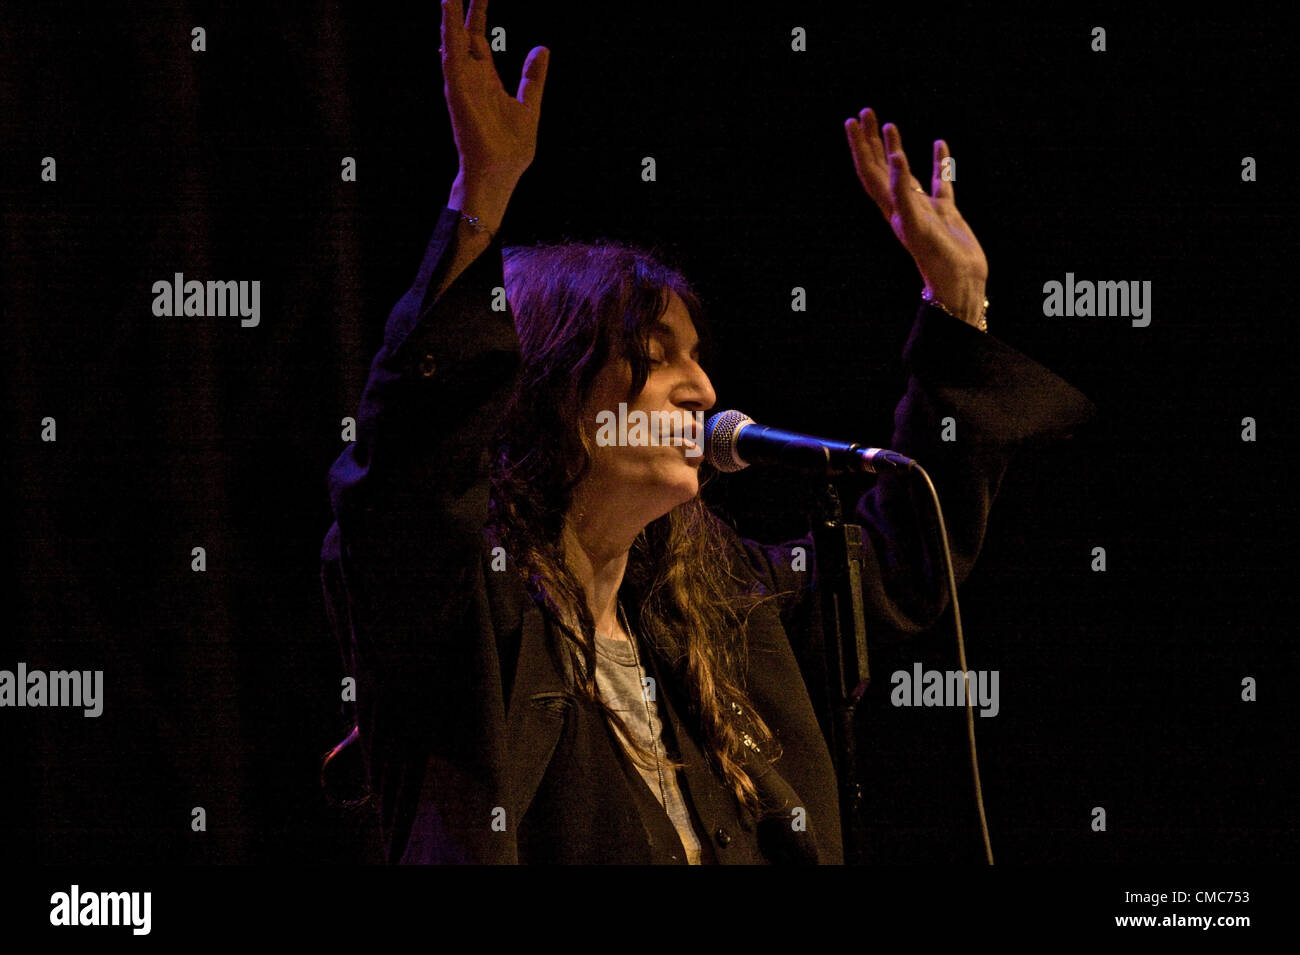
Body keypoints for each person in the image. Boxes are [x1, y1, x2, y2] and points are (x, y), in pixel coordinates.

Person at [320, 0, 1096, 864]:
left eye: (697, 356)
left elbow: (897, 563)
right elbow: (402, 483)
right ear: (548, 393)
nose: (705, 388)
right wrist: (483, 194)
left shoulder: (709, 607)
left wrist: (957, 305)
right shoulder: (466, 610)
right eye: (657, 357)